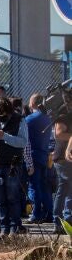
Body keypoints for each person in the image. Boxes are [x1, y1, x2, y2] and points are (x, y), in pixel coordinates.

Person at [0, 96, 29, 241]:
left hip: (12, 164)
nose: (1, 118)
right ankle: (4, 230)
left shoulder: (19, 120)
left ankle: (15, 229)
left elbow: (23, 142)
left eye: (4, 114)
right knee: (0, 199)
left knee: (12, 197)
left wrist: (5, 136)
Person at [25, 94, 54, 225]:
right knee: (44, 185)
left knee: (33, 186)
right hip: (44, 154)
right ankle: (49, 213)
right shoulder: (47, 118)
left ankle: (36, 214)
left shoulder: (29, 119)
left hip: (33, 155)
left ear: (32, 103)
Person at [54, 93, 72, 234]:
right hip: (64, 159)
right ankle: (66, 221)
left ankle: (60, 222)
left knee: (63, 191)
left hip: (64, 159)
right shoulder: (63, 114)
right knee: (67, 191)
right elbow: (59, 134)